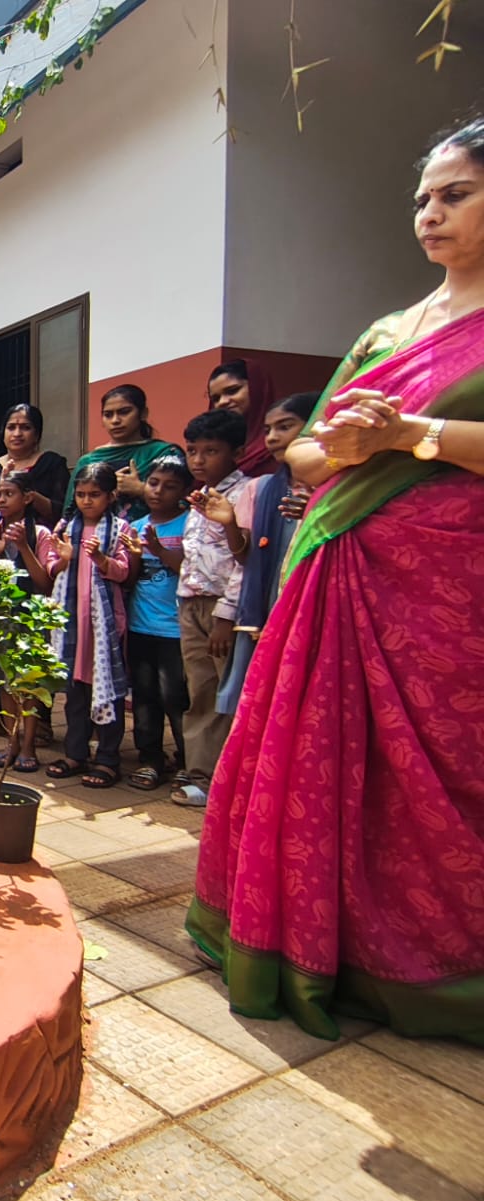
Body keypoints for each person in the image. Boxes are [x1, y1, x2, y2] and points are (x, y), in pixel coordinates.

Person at [190, 121, 484, 1044]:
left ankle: (436, 967)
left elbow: (409, 438)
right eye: (422, 199)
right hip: (345, 565)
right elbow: (308, 452)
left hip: (450, 585)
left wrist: (411, 436)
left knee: (441, 769)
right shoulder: (388, 333)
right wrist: (347, 446)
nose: (429, 214)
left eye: (455, 195)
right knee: (324, 762)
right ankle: (316, 944)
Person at [170, 407, 255, 807]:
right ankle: (201, 775)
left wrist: (226, 614)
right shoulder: (198, 497)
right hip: (191, 604)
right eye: (192, 451)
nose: (199, 460)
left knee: (229, 692)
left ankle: (232, 778)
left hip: (224, 610)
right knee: (200, 691)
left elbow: (246, 560)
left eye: (210, 451)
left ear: (236, 452)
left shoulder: (248, 494)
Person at [215, 392, 316, 716]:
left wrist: (316, 512)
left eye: (285, 427)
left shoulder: (337, 489)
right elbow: (246, 558)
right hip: (266, 608)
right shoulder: (259, 489)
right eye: (268, 429)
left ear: (315, 426)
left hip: (313, 608)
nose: (272, 438)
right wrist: (229, 524)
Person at [45, 463, 132, 788]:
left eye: (94, 494)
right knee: (76, 693)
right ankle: (75, 753)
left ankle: (108, 759)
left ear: (110, 496)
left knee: (106, 690)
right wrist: (65, 558)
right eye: (81, 494)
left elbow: (124, 571)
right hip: (72, 626)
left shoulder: (121, 529)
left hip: (102, 628)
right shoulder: (66, 527)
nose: (86, 501)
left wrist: (100, 560)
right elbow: (51, 566)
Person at [0, 469, 61, 772]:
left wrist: (24, 547)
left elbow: (45, 583)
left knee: (29, 684)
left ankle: (28, 746)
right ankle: (11, 743)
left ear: (27, 498)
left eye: (9, 494)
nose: (1, 500)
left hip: (31, 619)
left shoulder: (40, 534)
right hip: (2, 619)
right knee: (4, 682)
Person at [123, 456, 193, 791]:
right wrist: (137, 556)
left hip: (176, 629)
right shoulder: (135, 527)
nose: (158, 491)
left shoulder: (190, 524)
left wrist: (159, 550)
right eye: (153, 483)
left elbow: (191, 572)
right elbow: (130, 579)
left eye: (170, 486)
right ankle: (150, 758)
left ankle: (188, 760)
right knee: (145, 696)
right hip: (140, 626)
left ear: (184, 491)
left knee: (176, 697)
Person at [64, 385, 183, 522]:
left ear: (143, 413)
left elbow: (186, 505)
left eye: (124, 412)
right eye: (108, 415)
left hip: (157, 533)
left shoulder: (165, 454)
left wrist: (140, 489)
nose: (115, 420)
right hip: (97, 535)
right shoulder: (88, 461)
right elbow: (69, 514)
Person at [0, 403, 70, 525]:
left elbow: (64, 512)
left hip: (40, 535)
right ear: (3, 433)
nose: (17, 434)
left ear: (36, 435)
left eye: (25, 427)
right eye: (11, 427)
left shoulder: (52, 464)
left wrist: (25, 492)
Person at [206, 359, 279, 478]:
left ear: (256, 388)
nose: (222, 402)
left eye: (232, 391)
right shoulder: (207, 451)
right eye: (215, 399)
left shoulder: (280, 444)